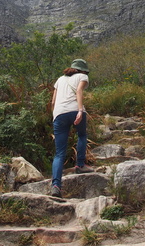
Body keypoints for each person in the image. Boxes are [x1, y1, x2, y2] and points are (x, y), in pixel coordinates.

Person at [50, 59, 94, 198]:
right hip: (75, 110)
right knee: (81, 135)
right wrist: (80, 111)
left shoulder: (59, 80)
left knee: (59, 153)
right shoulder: (83, 77)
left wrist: (54, 117)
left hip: (59, 114)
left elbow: (53, 101)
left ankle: (56, 185)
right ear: (83, 70)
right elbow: (79, 91)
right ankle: (80, 165)